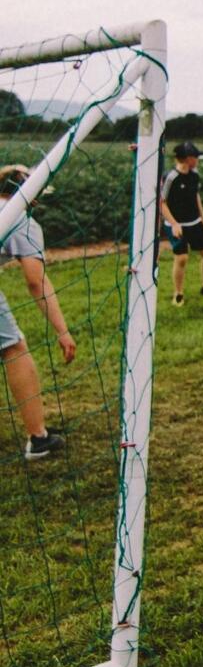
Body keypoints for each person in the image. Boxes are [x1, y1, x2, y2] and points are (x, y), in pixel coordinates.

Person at [0, 166, 73, 459]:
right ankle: (38, 438)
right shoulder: (20, 221)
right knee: (14, 348)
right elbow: (36, 281)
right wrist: (63, 331)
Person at [160, 141, 203, 306]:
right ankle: (178, 293)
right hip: (176, 224)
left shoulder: (195, 174)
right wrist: (174, 224)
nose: (198, 161)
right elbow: (161, 202)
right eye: (196, 157)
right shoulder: (171, 177)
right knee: (182, 258)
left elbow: (195, 195)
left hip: (195, 222)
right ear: (188, 158)